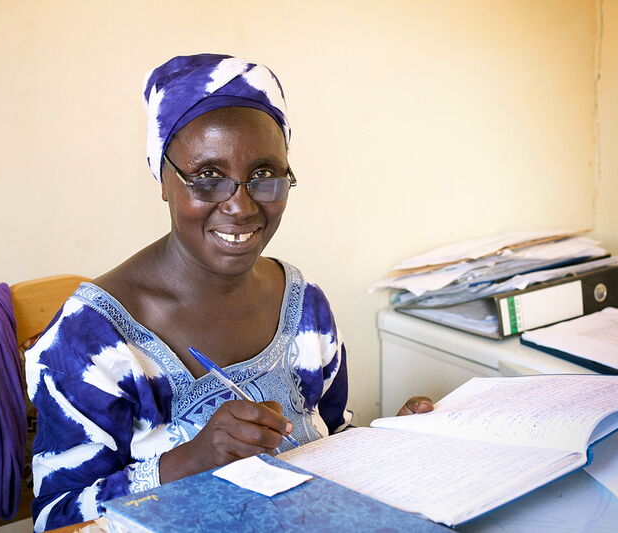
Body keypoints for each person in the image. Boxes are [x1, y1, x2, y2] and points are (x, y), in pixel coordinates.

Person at [25, 53, 432, 532]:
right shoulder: (91, 339)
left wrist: (395, 443)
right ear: (163, 179)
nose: (239, 206)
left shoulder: (303, 303)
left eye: (264, 175)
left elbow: (332, 438)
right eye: (207, 176)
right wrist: (191, 459)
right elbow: (56, 519)